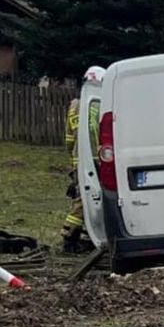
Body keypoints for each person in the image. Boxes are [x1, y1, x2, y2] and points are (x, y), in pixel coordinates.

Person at [60, 96, 92, 254]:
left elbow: (69, 139)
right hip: (92, 161)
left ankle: (76, 236)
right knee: (81, 202)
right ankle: (69, 239)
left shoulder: (74, 106)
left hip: (78, 160)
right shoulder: (96, 103)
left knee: (80, 199)